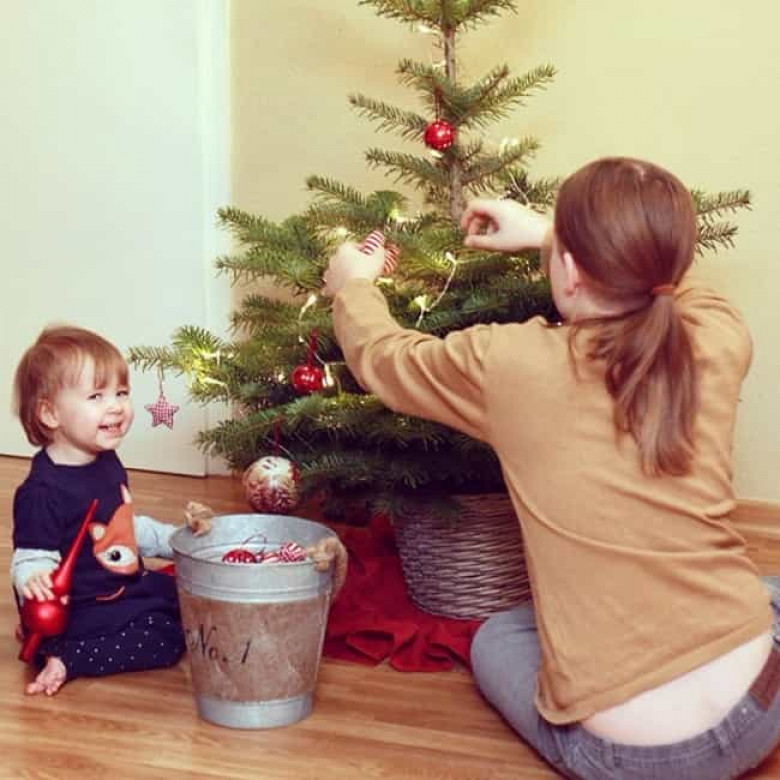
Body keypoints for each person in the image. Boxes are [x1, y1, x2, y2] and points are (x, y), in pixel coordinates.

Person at [323, 157, 780, 778]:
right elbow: (673, 281)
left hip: (642, 760)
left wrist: (353, 285)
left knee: (498, 638)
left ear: (570, 270)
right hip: (761, 703)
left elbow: (387, 359)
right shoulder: (717, 335)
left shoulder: (513, 364)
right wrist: (551, 234)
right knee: (761, 589)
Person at [11, 325, 348, 697]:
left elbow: (121, 525)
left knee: (185, 596)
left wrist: (176, 540)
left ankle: (65, 641)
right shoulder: (42, 492)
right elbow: (30, 556)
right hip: (82, 608)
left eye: (121, 393)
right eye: (96, 396)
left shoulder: (104, 461)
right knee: (164, 639)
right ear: (50, 414)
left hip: (120, 587)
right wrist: (35, 577)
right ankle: (69, 657)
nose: (116, 406)